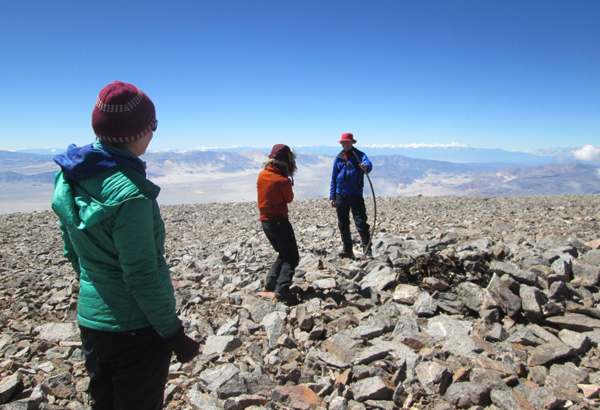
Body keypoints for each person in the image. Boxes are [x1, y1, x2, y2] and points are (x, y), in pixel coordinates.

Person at [51, 81, 199, 410]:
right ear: (136, 133)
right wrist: (174, 335)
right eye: (153, 126)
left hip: (92, 323)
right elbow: (141, 274)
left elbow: (71, 249)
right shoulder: (131, 193)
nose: (153, 133)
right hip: (136, 330)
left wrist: (97, 286)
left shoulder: (71, 175)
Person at [257, 144, 300, 304]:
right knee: (292, 258)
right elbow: (289, 199)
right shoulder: (282, 181)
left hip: (265, 223)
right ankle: (282, 290)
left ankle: (270, 284)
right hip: (280, 223)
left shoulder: (262, 176)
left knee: (283, 253)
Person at [330, 132, 373, 258]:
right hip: (340, 195)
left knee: (361, 221)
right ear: (341, 143)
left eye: (347, 142)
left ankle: (367, 250)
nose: (345, 144)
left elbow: (368, 164)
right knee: (342, 223)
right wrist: (332, 196)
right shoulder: (338, 157)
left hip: (355, 194)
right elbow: (334, 177)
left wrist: (366, 167)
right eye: (344, 142)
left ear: (352, 143)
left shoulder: (359, 155)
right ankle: (347, 249)